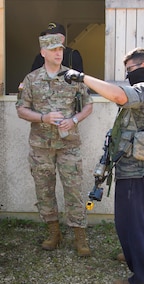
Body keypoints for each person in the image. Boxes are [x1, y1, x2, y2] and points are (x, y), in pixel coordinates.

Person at [61, 48, 144, 284]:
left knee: (132, 223)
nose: (128, 75)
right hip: (137, 169)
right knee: (133, 221)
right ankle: (136, 255)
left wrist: (81, 77)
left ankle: (143, 280)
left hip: (137, 170)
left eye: (130, 70)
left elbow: (120, 96)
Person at [16, 34, 93, 257]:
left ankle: (80, 236)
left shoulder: (73, 78)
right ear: (43, 53)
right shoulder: (31, 79)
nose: (58, 53)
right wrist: (43, 118)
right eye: (53, 49)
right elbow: (21, 109)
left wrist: (75, 120)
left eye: (60, 48)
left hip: (69, 144)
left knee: (74, 190)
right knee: (44, 190)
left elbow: (88, 106)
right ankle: (54, 233)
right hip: (41, 147)